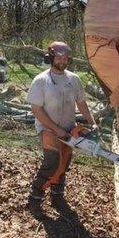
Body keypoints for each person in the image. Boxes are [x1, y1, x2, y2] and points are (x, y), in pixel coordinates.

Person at [27, 41, 97, 206]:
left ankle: (57, 193)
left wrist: (92, 123)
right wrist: (56, 129)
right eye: (59, 58)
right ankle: (35, 195)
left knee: (64, 161)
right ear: (50, 58)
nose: (62, 61)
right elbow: (36, 110)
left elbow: (81, 103)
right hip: (47, 129)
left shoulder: (74, 79)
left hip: (68, 128)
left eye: (65, 58)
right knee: (51, 162)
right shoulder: (41, 80)